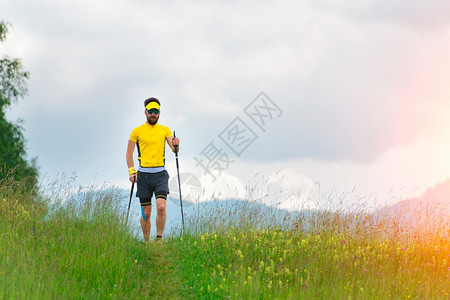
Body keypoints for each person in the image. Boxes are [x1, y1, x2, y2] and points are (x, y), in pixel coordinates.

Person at [126, 97, 180, 241]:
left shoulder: (165, 130)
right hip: (143, 175)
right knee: (146, 212)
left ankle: (159, 239)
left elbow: (175, 150)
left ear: (159, 113)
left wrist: (176, 144)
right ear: (145, 112)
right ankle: (146, 241)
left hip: (160, 174)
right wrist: (132, 171)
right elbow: (129, 153)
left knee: (161, 206)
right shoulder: (137, 131)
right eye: (151, 111)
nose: (153, 114)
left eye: (156, 111)